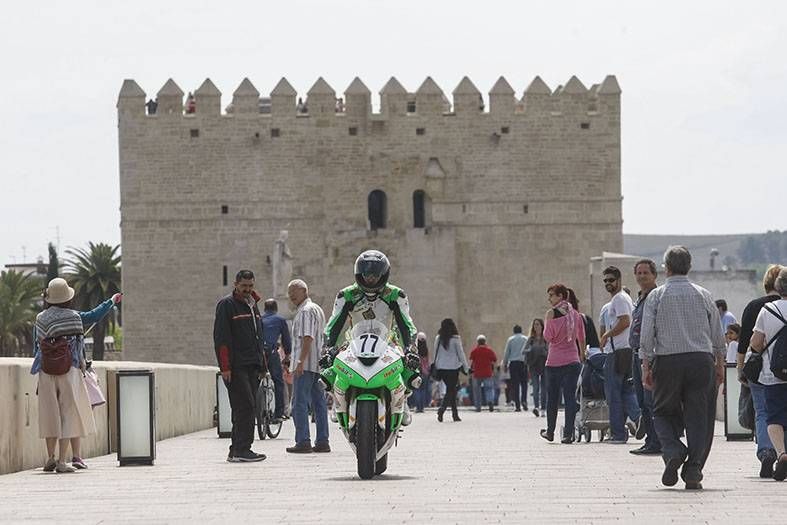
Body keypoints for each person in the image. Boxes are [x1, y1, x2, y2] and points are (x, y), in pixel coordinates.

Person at [640, 246, 726, 490]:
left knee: (661, 411)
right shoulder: (704, 294)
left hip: (667, 361)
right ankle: (694, 467)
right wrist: (719, 364)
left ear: (666, 268)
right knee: (700, 417)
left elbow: (646, 337)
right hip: (700, 361)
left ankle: (673, 448)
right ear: (689, 266)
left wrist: (646, 366)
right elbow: (718, 336)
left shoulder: (656, 296)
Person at [320, 250, 420, 424]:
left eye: (375, 275)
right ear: (360, 274)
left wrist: (411, 347)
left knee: (412, 372)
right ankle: (337, 401)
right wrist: (327, 347)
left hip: (388, 341)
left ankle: (403, 400)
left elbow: (407, 324)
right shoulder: (347, 295)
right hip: (354, 341)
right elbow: (334, 324)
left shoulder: (396, 295)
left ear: (383, 274)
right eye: (366, 275)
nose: (370, 279)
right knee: (328, 371)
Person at [30, 278, 102, 473]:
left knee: (49, 413)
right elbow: (79, 347)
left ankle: (50, 457)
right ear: (67, 298)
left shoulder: (40, 318)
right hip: (69, 370)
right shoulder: (74, 317)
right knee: (68, 414)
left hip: (46, 371)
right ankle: (62, 461)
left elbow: (37, 346)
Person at [213, 270, 267, 463]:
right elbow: (221, 338)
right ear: (236, 284)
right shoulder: (227, 305)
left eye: (250, 286)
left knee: (242, 408)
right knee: (246, 406)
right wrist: (225, 367)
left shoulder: (253, 305)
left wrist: (263, 365)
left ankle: (235, 449)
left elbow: (259, 337)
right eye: (244, 286)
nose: (247, 289)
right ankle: (243, 449)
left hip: (253, 365)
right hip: (236, 366)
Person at [737, 264, 783, 478]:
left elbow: (751, 342)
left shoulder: (760, 308)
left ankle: (768, 453)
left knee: (765, 413)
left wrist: (740, 367)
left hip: (767, 372)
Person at [749, 267, 787, 481]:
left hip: (773, 374)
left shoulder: (768, 310)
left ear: (778, 287)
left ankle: (781, 453)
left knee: (773, 416)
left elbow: (755, 343)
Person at [599, 266, 642, 444]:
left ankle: (618, 434)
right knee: (625, 390)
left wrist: (606, 335)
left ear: (618, 280)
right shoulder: (624, 298)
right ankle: (638, 417)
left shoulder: (618, 299)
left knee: (613, 395)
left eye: (611, 280)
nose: (608, 283)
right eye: (605, 281)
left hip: (618, 352)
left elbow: (625, 322)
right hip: (625, 351)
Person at [286, 279, 329, 453]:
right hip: (317, 364)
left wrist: (299, 362)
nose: (290, 297)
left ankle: (303, 440)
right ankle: (322, 441)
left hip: (305, 365)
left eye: (293, 292)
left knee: (299, 403)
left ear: (304, 291)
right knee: (319, 404)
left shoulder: (305, 311)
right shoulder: (317, 309)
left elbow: (307, 337)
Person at [541, 283, 585, 444]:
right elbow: (581, 337)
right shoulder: (576, 314)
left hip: (554, 362)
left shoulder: (551, 313)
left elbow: (548, 337)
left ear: (560, 296)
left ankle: (550, 431)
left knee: (552, 399)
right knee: (570, 398)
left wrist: (548, 320)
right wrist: (581, 355)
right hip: (573, 361)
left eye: (552, 295)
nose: (549, 298)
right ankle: (568, 434)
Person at [629, 259, 662, 456]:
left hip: (649, 356)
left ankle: (656, 441)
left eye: (645, 273)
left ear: (654, 275)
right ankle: (650, 439)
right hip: (636, 354)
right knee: (642, 401)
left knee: (651, 400)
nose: (642, 276)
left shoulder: (656, 297)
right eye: (639, 273)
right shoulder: (641, 297)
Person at [432, 318, 469, 422]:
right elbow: (461, 354)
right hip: (453, 368)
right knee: (451, 390)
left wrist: (435, 365)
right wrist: (466, 368)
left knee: (451, 390)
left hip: (441, 368)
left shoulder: (438, 338)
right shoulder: (456, 339)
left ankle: (455, 414)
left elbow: (435, 353)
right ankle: (442, 409)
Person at [261, 298, 291, 422]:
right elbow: (286, 340)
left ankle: (256, 411)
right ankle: (278, 414)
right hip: (272, 352)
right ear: (276, 309)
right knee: (278, 381)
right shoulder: (280, 320)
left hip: (260, 353)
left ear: (264, 309)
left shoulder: (259, 319)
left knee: (256, 380)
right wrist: (288, 355)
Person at [525, 319, 548, 417]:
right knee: (535, 387)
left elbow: (550, 351)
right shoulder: (531, 339)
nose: (536, 326)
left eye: (538, 324)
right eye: (535, 325)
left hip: (544, 364)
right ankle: (536, 407)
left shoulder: (546, 338)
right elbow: (524, 350)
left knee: (544, 388)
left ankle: (543, 408)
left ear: (542, 326)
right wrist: (530, 350)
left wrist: (543, 351)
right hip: (533, 365)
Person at [503, 325, 528, 411]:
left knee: (515, 385)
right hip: (523, 363)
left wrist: (505, 364)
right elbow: (528, 351)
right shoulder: (525, 339)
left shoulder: (510, 339)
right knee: (524, 383)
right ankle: (524, 400)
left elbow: (506, 353)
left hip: (513, 363)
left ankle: (517, 405)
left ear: (514, 331)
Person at [469, 335, 497, 412]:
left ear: (477, 342)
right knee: (489, 388)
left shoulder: (474, 350)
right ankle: (490, 401)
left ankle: (478, 406)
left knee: (477, 390)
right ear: (485, 342)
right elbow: (494, 359)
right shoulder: (489, 350)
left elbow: (471, 359)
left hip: (477, 373)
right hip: (487, 372)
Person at [414, 332, 431, 413]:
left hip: (417, 371)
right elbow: (427, 362)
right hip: (425, 372)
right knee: (423, 390)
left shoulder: (416, 349)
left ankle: (418, 407)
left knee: (417, 389)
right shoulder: (426, 349)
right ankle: (422, 407)